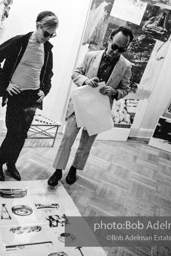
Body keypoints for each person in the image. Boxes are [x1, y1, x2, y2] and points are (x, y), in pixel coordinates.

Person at [48, 26, 133, 186]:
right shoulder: (90, 56)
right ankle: (58, 170)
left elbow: (126, 89)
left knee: (86, 144)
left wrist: (114, 91)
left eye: (121, 50)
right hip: (79, 106)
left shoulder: (126, 66)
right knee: (67, 139)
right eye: (114, 46)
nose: (115, 52)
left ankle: (74, 168)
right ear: (109, 40)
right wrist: (86, 81)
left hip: (99, 111)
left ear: (126, 48)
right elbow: (75, 74)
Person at [0, 11, 59, 181]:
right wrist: (5, 85)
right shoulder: (19, 42)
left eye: (52, 35)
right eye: (46, 33)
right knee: (13, 131)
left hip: (32, 97)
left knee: (23, 133)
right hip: (16, 95)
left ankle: (11, 164)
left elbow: (48, 74)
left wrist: (45, 90)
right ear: (38, 26)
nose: (48, 38)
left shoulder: (47, 50)